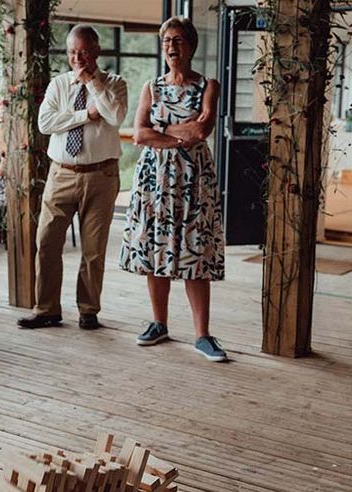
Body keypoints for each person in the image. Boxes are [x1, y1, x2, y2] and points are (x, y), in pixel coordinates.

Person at [120, 16, 227, 362]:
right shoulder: (151, 87)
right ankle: (158, 323)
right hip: (155, 179)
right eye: (167, 41)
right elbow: (138, 134)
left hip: (194, 178)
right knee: (155, 248)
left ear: (191, 46)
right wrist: (174, 132)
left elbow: (201, 131)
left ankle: (202, 335)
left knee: (196, 250)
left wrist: (160, 130)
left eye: (178, 40)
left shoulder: (208, 85)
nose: (171, 47)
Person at [17, 24, 127, 331]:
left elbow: (115, 116)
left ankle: (88, 310)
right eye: (72, 52)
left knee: (93, 249)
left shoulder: (115, 83)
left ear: (96, 51)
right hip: (61, 174)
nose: (77, 58)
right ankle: (46, 309)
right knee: (48, 242)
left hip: (101, 176)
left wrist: (92, 84)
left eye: (84, 52)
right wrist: (83, 116)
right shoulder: (58, 85)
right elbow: (45, 123)